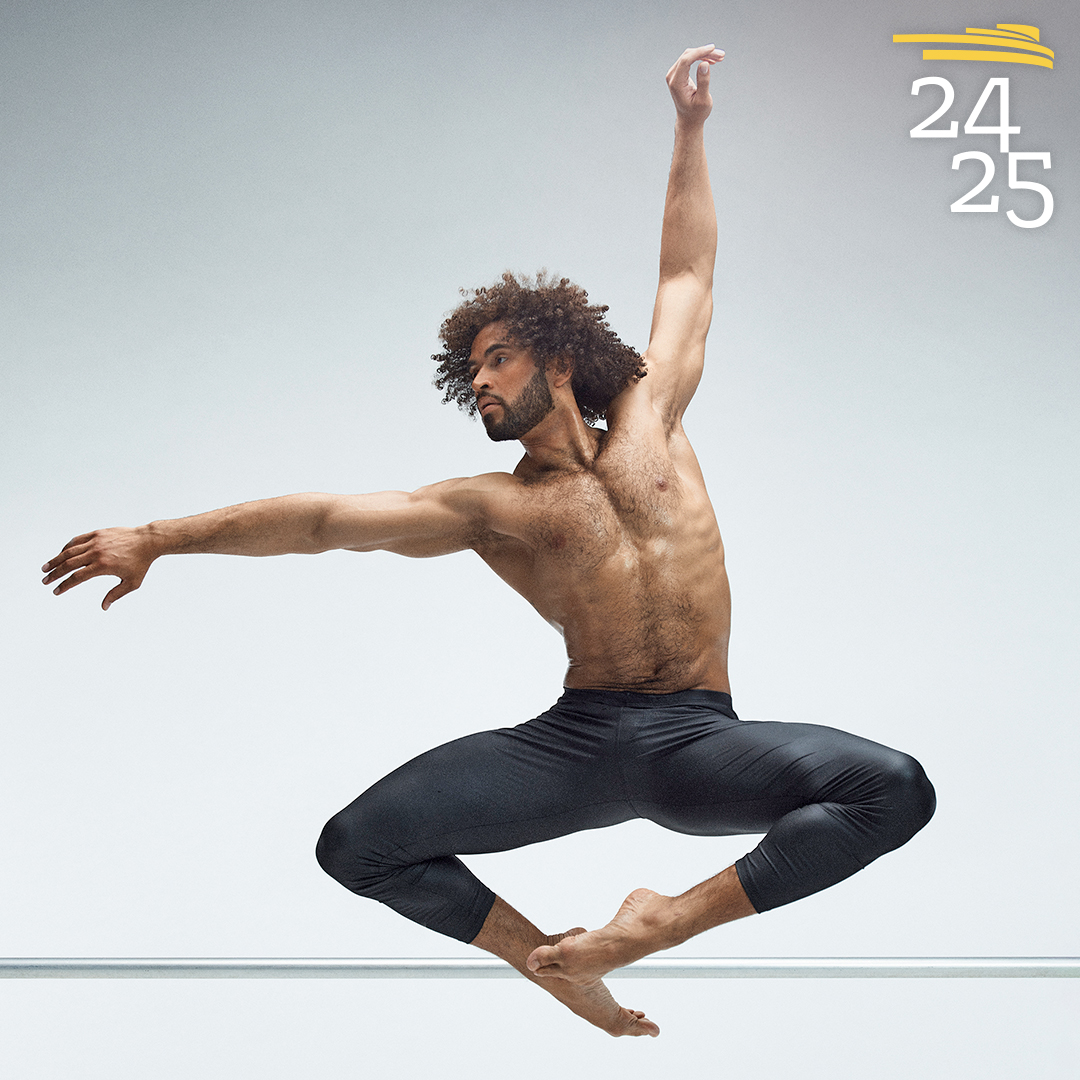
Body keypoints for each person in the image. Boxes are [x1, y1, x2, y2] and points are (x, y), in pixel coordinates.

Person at [41, 45, 935, 1038]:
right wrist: (159, 538)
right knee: (356, 845)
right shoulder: (491, 508)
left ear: (556, 355)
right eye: (470, 375)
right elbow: (324, 521)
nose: (482, 385)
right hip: (579, 743)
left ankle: (656, 926)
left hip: (700, 739)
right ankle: (549, 964)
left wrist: (689, 131)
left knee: (891, 789)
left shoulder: (655, 414)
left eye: (497, 362)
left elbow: (687, 270)